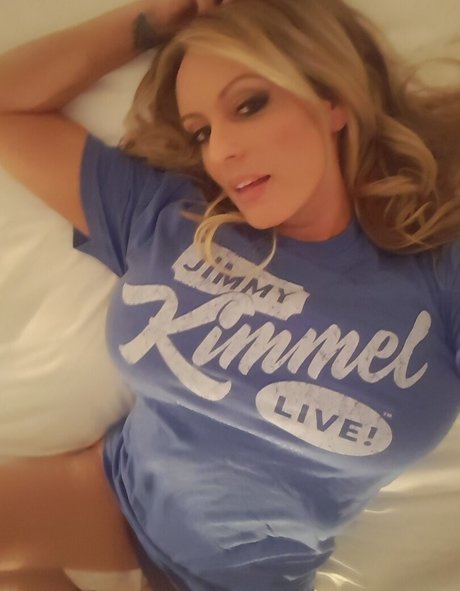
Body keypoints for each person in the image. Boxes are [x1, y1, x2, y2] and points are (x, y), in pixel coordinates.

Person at [0, 0, 459, 589]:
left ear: (333, 101)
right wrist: (153, 20)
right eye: (202, 131)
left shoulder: (434, 275)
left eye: (249, 105)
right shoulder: (169, 218)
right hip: (113, 499)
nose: (220, 152)